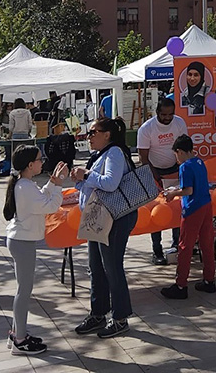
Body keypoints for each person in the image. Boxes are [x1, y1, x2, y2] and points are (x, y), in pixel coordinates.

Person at [70, 118, 139, 339]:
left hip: (115, 218)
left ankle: (120, 318)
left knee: (112, 267)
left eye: (93, 132)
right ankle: (98, 313)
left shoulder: (115, 153)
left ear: (107, 134)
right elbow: (91, 184)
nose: (88, 137)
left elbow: (110, 183)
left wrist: (87, 175)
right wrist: (80, 179)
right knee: (96, 266)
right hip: (98, 217)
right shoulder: (100, 155)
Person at [3, 145, 64, 355]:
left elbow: (41, 199)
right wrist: (58, 187)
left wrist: (52, 183)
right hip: (22, 242)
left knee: (23, 289)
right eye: (40, 159)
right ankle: (20, 339)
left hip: (21, 240)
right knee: (24, 291)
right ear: (30, 165)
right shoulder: (25, 187)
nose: (42, 161)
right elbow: (50, 206)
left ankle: (17, 332)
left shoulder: (25, 184)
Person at [160, 134, 216, 299]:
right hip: (206, 205)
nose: (176, 158)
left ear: (180, 152)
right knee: (207, 244)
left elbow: (188, 191)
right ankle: (209, 280)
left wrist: (172, 194)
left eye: (176, 154)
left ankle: (181, 285)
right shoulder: (200, 162)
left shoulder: (185, 167)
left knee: (184, 247)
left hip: (193, 209)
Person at [137, 98, 189, 266]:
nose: (167, 118)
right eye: (164, 115)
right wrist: (155, 177)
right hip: (154, 171)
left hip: (174, 168)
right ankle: (156, 250)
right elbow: (143, 158)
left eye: (170, 114)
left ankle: (176, 246)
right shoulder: (146, 129)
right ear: (157, 113)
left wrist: (181, 169)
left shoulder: (179, 123)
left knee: (176, 208)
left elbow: (184, 148)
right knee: (156, 212)